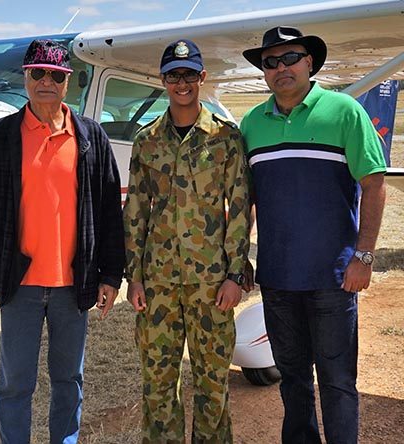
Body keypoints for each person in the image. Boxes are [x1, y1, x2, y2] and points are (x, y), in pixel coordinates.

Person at [0, 39, 125, 444]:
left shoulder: (90, 138)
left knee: (68, 379)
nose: (46, 82)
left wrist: (111, 274)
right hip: (19, 281)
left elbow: (109, 211)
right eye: (38, 73)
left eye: (55, 75)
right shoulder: (1, 137)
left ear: (67, 83)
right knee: (15, 383)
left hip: (73, 284)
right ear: (26, 77)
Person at [240, 26, 387, 443]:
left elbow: (374, 184)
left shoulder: (344, 111)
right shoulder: (251, 123)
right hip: (278, 278)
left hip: (333, 278)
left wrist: (364, 256)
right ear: (264, 72)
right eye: (271, 62)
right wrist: (239, 258)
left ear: (310, 62)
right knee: (293, 380)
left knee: (338, 381)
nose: (281, 68)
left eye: (291, 58)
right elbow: (245, 200)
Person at [123, 39, 251, 443]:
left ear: (202, 78)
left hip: (212, 284)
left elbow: (241, 208)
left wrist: (235, 274)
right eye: (174, 75)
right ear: (163, 80)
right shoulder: (147, 141)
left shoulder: (225, 138)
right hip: (158, 283)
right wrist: (135, 277)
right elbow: (136, 212)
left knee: (213, 387)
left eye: (189, 74)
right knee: (158, 385)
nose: (182, 83)